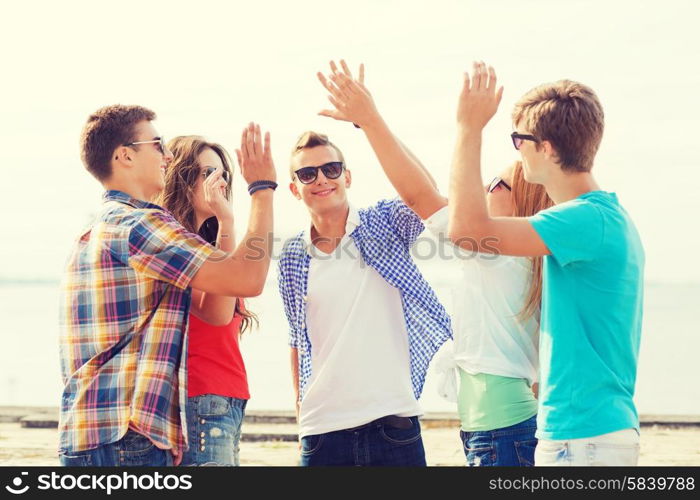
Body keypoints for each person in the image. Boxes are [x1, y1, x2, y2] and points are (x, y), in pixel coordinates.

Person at [316, 60, 552, 466]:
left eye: (497, 184)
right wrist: (369, 121)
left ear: (521, 202)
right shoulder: (511, 258)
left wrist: (371, 120)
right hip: (500, 430)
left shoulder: (496, 254)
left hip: (502, 433)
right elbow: (430, 192)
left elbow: (420, 195)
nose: (485, 187)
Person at [446, 62, 644, 466]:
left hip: (583, 438)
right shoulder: (598, 219)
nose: (517, 151)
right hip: (589, 434)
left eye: (520, 139)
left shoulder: (585, 220)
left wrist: (469, 130)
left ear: (547, 148)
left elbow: (467, 228)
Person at [59, 107, 276, 466]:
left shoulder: (96, 231)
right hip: (125, 439)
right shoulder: (140, 226)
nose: (168, 155)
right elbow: (248, 278)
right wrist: (263, 190)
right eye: (158, 145)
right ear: (125, 155)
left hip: (92, 432)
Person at [277, 113, 452, 464]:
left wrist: (369, 122)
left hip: (393, 425)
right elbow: (298, 337)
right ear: (295, 188)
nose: (322, 179)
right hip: (322, 432)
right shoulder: (292, 255)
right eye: (308, 173)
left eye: (331, 168)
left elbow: (424, 194)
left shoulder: (384, 222)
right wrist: (300, 410)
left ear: (347, 176)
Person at [156, 135, 259, 466]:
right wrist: (228, 222)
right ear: (182, 179)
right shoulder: (176, 244)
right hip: (200, 397)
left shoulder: (210, 243)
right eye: (207, 172)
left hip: (226, 394)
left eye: (223, 173)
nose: (219, 180)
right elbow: (215, 313)